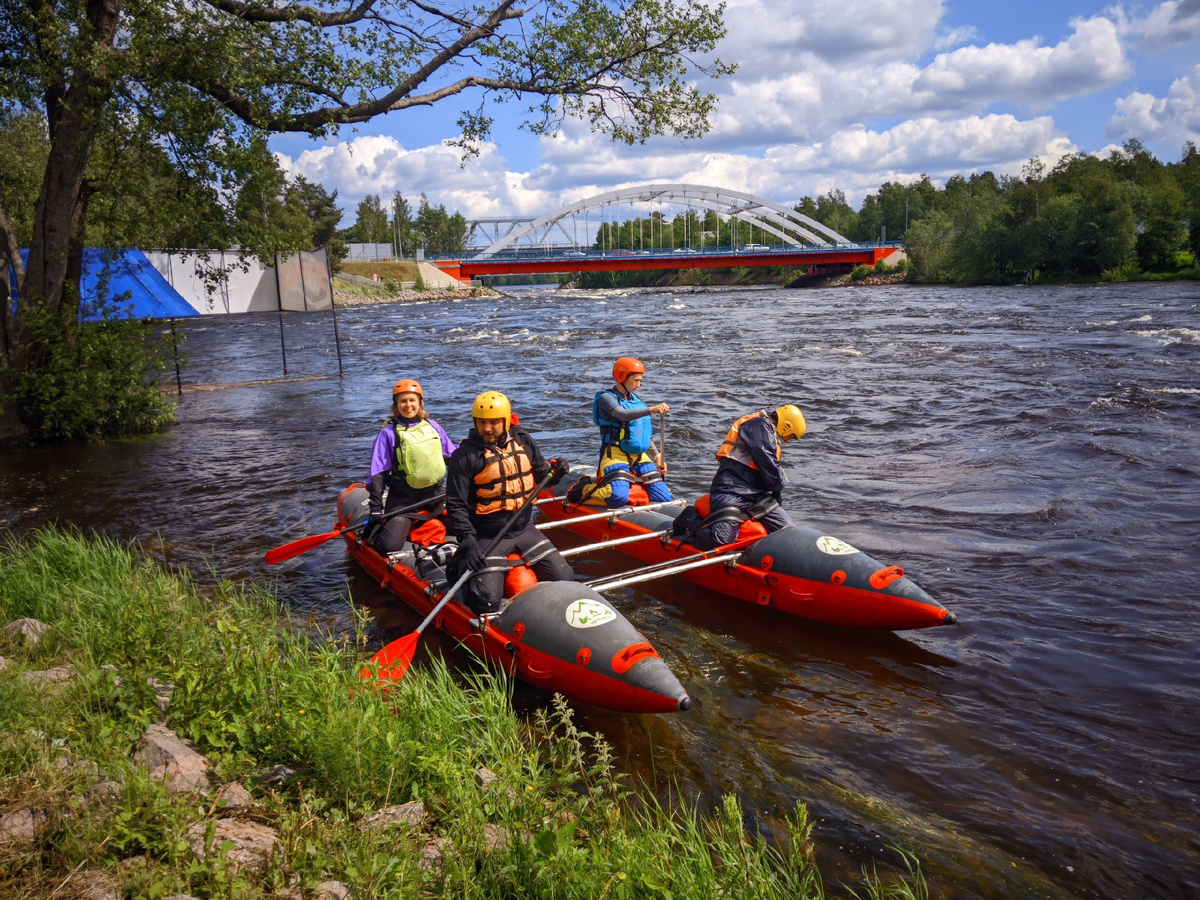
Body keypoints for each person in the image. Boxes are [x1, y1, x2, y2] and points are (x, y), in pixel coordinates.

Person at [445, 391, 573, 614]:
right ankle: (460, 566)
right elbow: (456, 505)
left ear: (506, 421)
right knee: (486, 602)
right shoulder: (465, 456)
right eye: (481, 422)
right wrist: (469, 543)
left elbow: (543, 476)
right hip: (487, 534)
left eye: (494, 422)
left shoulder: (523, 440)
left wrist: (558, 473)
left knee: (564, 577)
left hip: (523, 529)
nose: (487, 428)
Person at [687, 405, 807, 551]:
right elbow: (768, 464)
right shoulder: (758, 426)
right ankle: (689, 519)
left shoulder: (768, 433)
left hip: (757, 495)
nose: (788, 441)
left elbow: (770, 472)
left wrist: (776, 495)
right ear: (786, 426)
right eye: (791, 436)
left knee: (788, 532)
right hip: (731, 490)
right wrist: (778, 486)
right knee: (721, 540)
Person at [365, 379, 458, 553]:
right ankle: (376, 533)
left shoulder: (433, 426)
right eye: (403, 401)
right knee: (389, 546)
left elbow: (452, 455)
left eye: (412, 400)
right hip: (403, 499)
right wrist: (376, 507)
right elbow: (378, 472)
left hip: (434, 495)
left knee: (467, 526)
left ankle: (423, 523)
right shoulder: (388, 433)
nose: (408, 405)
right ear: (396, 404)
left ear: (420, 402)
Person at [585, 356, 672, 507]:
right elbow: (622, 415)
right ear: (622, 377)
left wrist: (658, 456)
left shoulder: (636, 401)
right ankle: (583, 490)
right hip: (614, 454)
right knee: (617, 496)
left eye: (640, 381)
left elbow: (643, 434)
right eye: (636, 380)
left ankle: (634, 494)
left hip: (639, 456)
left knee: (663, 496)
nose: (639, 384)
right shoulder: (606, 398)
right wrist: (652, 409)